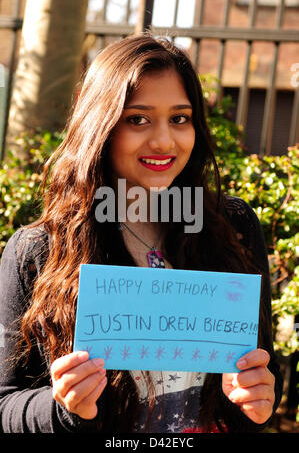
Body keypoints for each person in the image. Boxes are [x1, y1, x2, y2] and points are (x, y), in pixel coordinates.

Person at [0, 34, 282, 433]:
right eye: (138, 119)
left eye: (180, 118)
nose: (164, 140)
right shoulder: (39, 250)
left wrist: (259, 397)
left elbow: (261, 372)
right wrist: (62, 408)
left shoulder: (232, 226)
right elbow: (5, 403)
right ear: (101, 125)